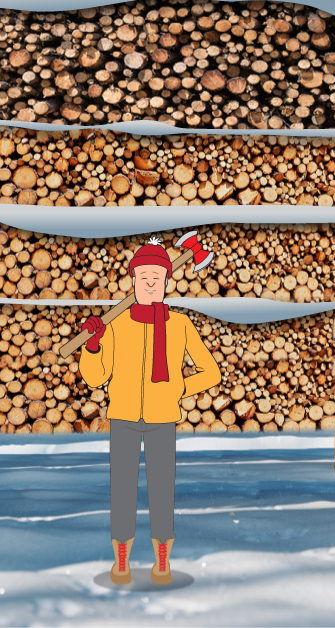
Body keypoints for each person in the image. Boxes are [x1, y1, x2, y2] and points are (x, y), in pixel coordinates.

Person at [77, 236, 222, 585]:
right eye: (144, 276)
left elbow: (211, 372)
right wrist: (93, 346)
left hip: (162, 419)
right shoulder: (116, 325)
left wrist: (178, 388)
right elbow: (95, 377)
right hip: (123, 418)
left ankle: (162, 562)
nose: (151, 282)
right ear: (133, 280)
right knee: (122, 490)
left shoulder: (180, 325)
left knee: (161, 490)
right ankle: (121, 562)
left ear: (167, 280)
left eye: (157, 276)